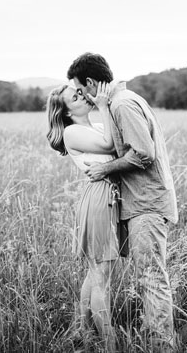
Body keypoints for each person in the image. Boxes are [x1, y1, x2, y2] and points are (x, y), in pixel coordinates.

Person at [67, 52, 178, 350]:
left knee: (152, 279)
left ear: (90, 83)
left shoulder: (123, 104)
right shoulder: (118, 103)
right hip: (141, 202)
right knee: (147, 276)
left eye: (80, 89)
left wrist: (104, 168)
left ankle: (162, 346)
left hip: (147, 204)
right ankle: (92, 334)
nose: (82, 96)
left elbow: (143, 153)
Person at [46, 81, 123, 351]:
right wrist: (103, 105)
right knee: (103, 277)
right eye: (75, 98)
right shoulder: (73, 132)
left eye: (80, 92)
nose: (82, 96)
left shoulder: (96, 125)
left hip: (108, 195)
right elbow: (112, 144)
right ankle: (110, 345)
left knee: (95, 273)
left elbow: (120, 141)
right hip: (100, 198)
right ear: (66, 111)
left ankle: (82, 330)